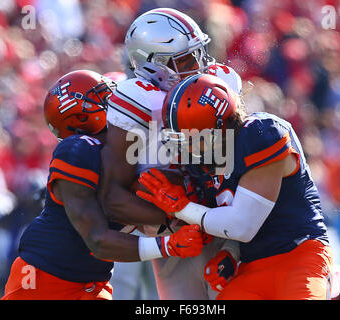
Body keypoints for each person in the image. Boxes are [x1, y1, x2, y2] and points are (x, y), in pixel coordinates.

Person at [0, 70, 205, 300]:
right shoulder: (78, 149)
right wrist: (168, 244)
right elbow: (98, 240)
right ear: (79, 118)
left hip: (94, 282)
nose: (116, 101)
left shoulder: (122, 150)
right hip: (46, 277)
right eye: (104, 97)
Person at [137, 73, 335, 300]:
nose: (186, 147)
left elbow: (242, 225)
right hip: (252, 266)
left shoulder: (261, 135)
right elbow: (231, 219)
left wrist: (182, 207)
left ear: (218, 129)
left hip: (299, 255)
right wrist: (230, 253)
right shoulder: (204, 162)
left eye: (191, 138)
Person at [101, 7, 243, 300]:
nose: (201, 66)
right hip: (166, 234)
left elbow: (235, 171)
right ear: (154, 65)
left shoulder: (216, 86)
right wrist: (174, 222)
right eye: (188, 59)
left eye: (200, 53)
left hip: (225, 224)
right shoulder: (137, 100)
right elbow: (112, 196)